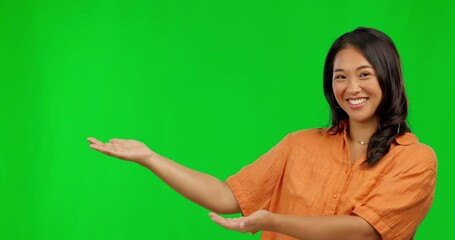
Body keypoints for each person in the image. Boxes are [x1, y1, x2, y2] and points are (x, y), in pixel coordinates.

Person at [88, 27, 436, 240]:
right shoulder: (299, 144)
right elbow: (227, 196)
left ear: (388, 78)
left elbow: (364, 231)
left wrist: (273, 221)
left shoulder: (416, 160)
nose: (351, 87)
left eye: (364, 74)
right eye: (340, 76)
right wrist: (150, 157)